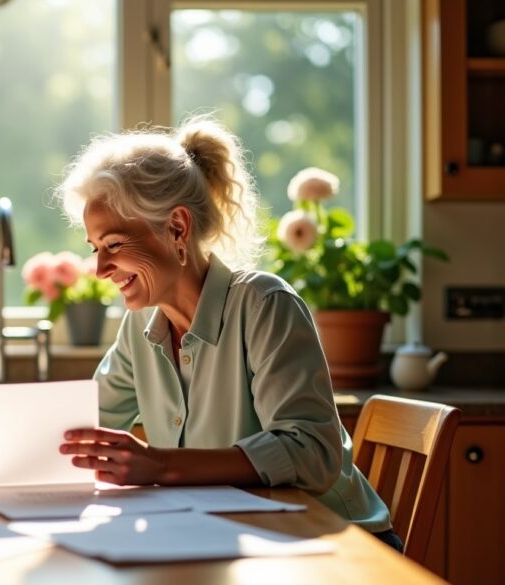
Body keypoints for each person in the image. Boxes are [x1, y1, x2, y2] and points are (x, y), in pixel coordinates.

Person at [54, 117, 402, 551]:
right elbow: (84, 424)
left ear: (177, 228)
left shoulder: (263, 304)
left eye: (114, 245)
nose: (101, 269)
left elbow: (312, 453)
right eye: (94, 248)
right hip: (235, 539)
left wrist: (160, 465)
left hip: (337, 546)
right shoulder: (139, 326)